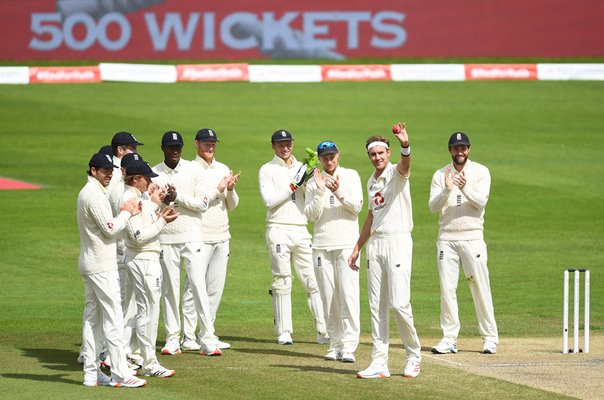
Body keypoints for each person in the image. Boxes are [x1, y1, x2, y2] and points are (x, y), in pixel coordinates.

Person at [348, 122, 422, 379]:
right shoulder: (371, 181)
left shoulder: (396, 173)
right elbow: (371, 216)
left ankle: (413, 356)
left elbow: (406, 165)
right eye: (372, 154)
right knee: (376, 305)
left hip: (397, 241)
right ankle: (380, 362)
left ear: (388, 153)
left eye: (380, 153)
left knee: (399, 303)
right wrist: (358, 247)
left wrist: (405, 144)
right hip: (376, 245)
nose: (377, 158)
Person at [152, 131, 230, 356]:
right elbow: (152, 205)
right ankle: (173, 338)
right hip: (166, 238)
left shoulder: (193, 170)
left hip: (193, 236)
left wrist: (177, 199)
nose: (175, 151)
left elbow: (203, 203)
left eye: (178, 147)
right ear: (163, 148)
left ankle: (206, 337)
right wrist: (163, 201)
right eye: (170, 147)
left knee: (198, 286)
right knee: (170, 290)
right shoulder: (155, 173)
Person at [76, 152, 146, 388]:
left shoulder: (94, 192)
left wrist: (125, 214)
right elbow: (109, 228)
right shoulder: (93, 195)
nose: (108, 174)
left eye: (110, 170)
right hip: (101, 265)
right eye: (104, 170)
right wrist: (126, 212)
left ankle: (91, 373)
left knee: (93, 319)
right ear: (93, 170)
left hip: (92, 263)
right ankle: (120, 373)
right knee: (114, 318)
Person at [428, 132, 499, 355]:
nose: (460, 152)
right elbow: (432, 207)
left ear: (468, 149)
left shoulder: (481, 172)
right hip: (446, 239)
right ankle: (449, 338)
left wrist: (465, 187)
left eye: (463, 148)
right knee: (447, 290)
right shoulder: (440, 174)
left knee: (479, 286)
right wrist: (448, 189)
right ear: (450, 150)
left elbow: (481, 203)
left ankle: (489, 338)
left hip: (473, 237)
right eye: (456, 148)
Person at [258, 129, 328, 345]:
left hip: (300, 229)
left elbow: (311, 208)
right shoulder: (267, 169)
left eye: (288, 143)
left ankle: (323, 331)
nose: (285, 147)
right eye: (280, 144)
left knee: (313, 280)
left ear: (293, 144)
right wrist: (294, 184)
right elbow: (269, 201)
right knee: (282, 280)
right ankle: (284, 331)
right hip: (278, 228)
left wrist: (314, 185)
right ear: (273, 146)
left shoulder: (302, 168)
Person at [181, 128, 240, 351]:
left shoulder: (223, 169)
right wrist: (219, 188)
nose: (210, 146)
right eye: (206, 143)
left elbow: (232, 205)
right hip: (198, 236)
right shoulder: (189, 169)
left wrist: (231, 189)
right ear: (196, 144)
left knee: (214, 288)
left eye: (213, 143)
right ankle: (187, 336)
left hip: (222, 235)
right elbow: (193, 201)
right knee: (193, 288)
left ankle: (208, 333)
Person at [304, 140, 363, 363]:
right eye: (325, 157)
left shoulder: (351, 175)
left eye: (332, 156)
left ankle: (348, 345)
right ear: (319, 158)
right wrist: (319, 191)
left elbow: (357, 207)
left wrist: (339, 193)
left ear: (338, 155)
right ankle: (335, 344)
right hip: (321, 245)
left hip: (347, 244)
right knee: (328, 297)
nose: (329, 160)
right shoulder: (313, 182)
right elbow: (310, 215)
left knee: (348, 295)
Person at [122, 159, 179, 378]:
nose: (149, 181)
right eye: (146, 178)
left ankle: (134, 355)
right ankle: (149, 362)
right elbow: (138, 237)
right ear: (135, 178)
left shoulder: (137, 197)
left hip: (145, 260)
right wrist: (162, 222)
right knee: (148, 312)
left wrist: (155, 204)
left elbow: (144, 223)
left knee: (145, 311)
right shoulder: (129, 198)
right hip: (143, 261)